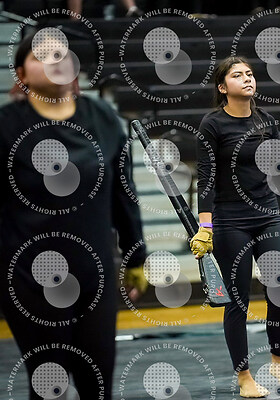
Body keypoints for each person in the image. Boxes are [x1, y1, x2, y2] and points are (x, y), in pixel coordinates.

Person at [0, 31, 147, 399]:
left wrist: (136, 257)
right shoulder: (6, 125)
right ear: (21, 73)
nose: (54, 61)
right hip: (29, 277)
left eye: (61, 54)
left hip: (92, 273)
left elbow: (123, 195)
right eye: (41, 56)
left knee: (97, 383)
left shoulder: (103, 118)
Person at [191, 56, 280, 398]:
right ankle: (244, 377)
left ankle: (278, 360)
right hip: (230, 220)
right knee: (239, 299)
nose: (247, 78)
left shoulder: (266, 121)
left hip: (267, 214)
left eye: (249, 73)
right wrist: (205, 227)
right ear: (222, 87)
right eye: (237, 75)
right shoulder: (212, 124)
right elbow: (206, 178)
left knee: (279, 287)